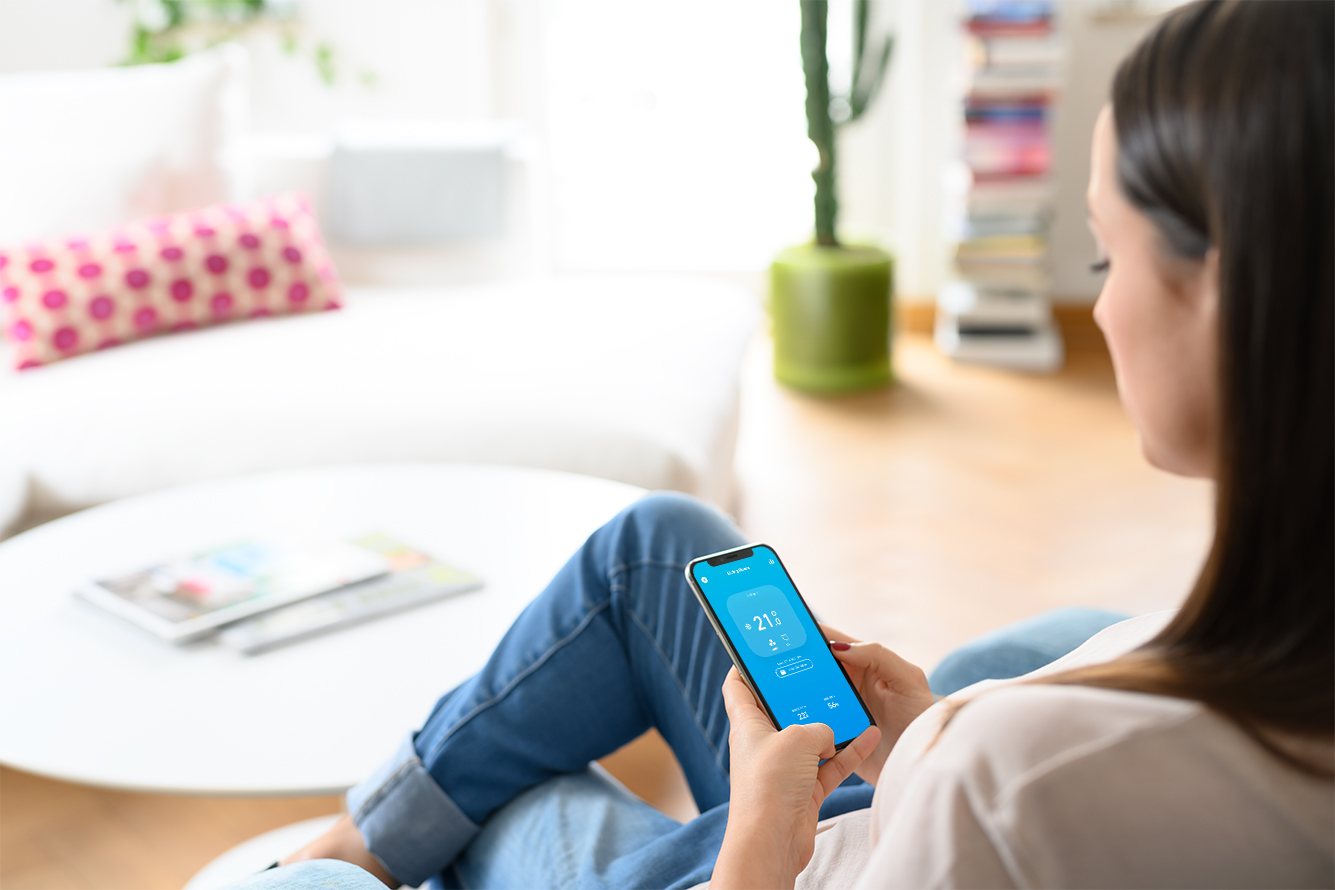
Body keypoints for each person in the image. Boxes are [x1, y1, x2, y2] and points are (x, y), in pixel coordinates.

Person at [239, 2, 1333, 886]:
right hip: (887, 812)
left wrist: (760, 833)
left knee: (510, 799)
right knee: (655, 546)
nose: (1095, 310)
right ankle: (380, 829)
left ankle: (365, 847)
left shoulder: (1019, 776)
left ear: (1233, 296)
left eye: (1106, 259)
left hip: (779, 866)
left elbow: (1000, 811)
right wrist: (919, 744)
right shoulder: (1258, 674)